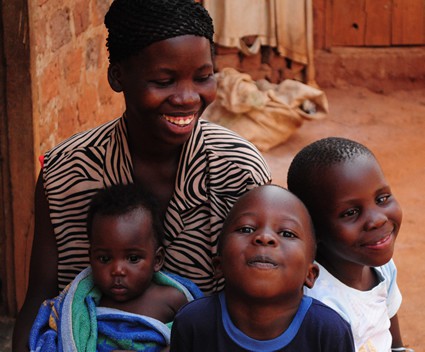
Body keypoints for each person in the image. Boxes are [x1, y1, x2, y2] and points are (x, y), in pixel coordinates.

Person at [13, 0, 272, 350]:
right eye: (164, 81)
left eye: (203, 77)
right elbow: (40, 300)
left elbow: (263, 299)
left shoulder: (238, 170)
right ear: (117, 76)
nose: (187, 97)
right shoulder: (66, 173)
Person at [170, 184, 355, 351]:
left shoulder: (328, 331)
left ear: (310, 274)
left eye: (286, 233)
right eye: (246, 229)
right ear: (219, 265)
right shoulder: (193, 323)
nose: (265, 237)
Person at [29, 183, 203, 352]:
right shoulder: (81, 305)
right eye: (104, 258)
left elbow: (197, 338)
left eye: (133, 258)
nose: (117, 270)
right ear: (91, 258)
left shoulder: (172, 299)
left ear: (157, 260)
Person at [287, 137, 413, 352]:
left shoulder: (383, 268)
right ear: (312, 228)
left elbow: (392, 334)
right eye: (350, 213)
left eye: (382, 199)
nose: (378, 220)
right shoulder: (316, 303)